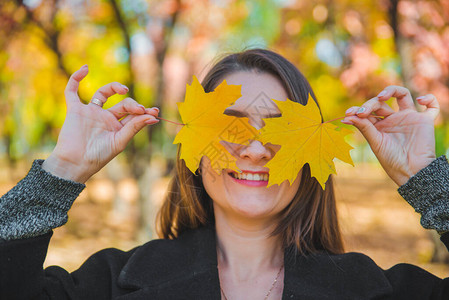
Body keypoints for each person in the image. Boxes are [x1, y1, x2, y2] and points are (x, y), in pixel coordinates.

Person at [0, 49, 448, 300]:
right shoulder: (110, 283)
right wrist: (62, 171)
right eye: (230, 128)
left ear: (312, 151)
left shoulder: (378, 290)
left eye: (278, 130)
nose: (254, 150)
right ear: (193, 148)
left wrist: (426, 179)